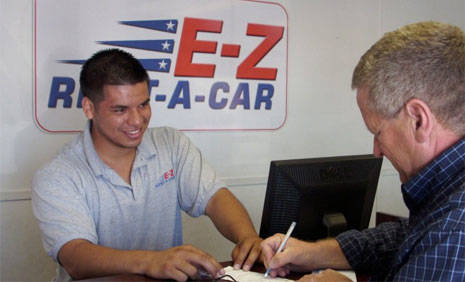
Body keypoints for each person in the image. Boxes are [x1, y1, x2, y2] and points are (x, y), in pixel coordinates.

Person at [32, 48, 262, 281]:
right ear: (89, 108)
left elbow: (214, 197)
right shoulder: (57, 175)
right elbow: (75, 256)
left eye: (143, 104)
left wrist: (248, 238)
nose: (136, 120)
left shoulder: (171, 144)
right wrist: (151, 261)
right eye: (120, 109)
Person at [261, 21, 465, 281]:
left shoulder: (457, 231)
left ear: (418, 120)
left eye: (378, 133)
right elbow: (402, 237)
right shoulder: (445, 202)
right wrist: (309, 253)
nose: (377, 151)